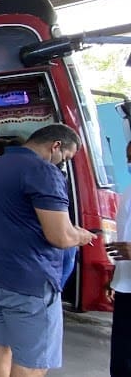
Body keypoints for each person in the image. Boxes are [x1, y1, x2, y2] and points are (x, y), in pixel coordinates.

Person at [0, 123, 96, 376]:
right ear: (56, 146)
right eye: (66, 157)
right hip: (29, 282)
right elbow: (60, 236)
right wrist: (82, 236)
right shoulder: (42, 171)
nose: (63, 163)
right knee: (33, 362)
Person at [107, 140, 131, 377]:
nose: (129, 163)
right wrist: (115, 278)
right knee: (122, 361)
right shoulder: (128, 192)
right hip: (126, 286)